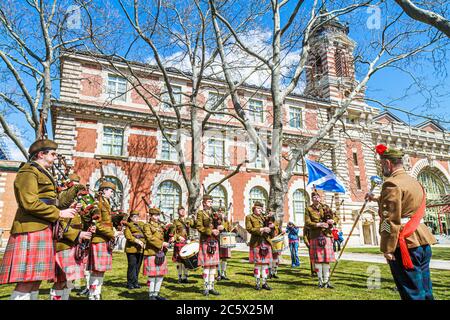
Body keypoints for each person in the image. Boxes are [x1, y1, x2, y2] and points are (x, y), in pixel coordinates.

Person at [0, 139, 77, 300]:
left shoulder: (44, 173)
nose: (55, 157)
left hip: (42, 227)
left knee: (35, 280)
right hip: (31, 228)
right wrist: (58, 214)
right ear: (41, 154)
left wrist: (67, 204)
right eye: (53, 154)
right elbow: (29, 202)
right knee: (27, 280)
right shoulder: (28, 171)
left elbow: (54, 201)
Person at [366, 144, 436, 300]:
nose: (382, 168)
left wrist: (387, 248)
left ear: (388, 163)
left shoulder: (391, 184)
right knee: (426, 290)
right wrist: (378, 199)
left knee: (412, 294)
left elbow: (389, 219)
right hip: (422, 240)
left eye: (381, 164)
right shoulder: (414, 182)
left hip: (405, 243)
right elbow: (405, 205)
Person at [51, 173, 92, 300]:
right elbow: (60, 223)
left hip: (73, 244)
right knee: (61, 280)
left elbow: (81, 220)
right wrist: (78, 234)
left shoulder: (74, 202)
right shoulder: (61, 200)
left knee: (69, 279)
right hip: (63, 244)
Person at [86, 181, 116, 300]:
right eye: (110, 191)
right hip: (99, 239)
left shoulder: (107, 203)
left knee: (102, 269)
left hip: (105, 239)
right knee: (96, 269)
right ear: (103, 190)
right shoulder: (97, 203)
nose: (112, 193)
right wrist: (112, 233)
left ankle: (97, 292)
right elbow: (97, 223)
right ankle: (92, 294)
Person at [304, 191, 340, 288]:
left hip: (327, 235)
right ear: (312, 199)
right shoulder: (308, 209)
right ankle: (320, 281)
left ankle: (327, 281)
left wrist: (333, 221)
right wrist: (318, 224)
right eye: (314, 197)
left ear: (320, 198)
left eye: (317, 197)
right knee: (318, 260)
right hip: (315, 235)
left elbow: (336, 216)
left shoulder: (326, 207)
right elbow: (307, 222)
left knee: (326, 260)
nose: (316, 198)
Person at [196, 195, 222, 296]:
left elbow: (217, 225)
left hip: (214, 240)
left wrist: (220, 227)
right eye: (208, 201)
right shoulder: (200, 213)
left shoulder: (213, 214)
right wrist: (211, 231)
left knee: (213, 266)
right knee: (207, 266)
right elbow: (199, 227)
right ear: (204, 203)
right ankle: (206, 287)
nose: (210, 203)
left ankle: (212, 287)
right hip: (206, 240)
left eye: (211, 201)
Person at [142, 207, 170, 300]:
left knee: (160, 274)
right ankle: (151, 295)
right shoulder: (147, 226)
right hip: (151, 252)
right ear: (150, 216)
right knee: (153, 275)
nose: (157, 217)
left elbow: (165, 235)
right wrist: (162, 243)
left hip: (160, 252)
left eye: (158, 215)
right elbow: (149, 238)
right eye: (155, 215)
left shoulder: (160, 226)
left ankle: (156, 294)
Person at [245, 201, 273, 291]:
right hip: (256, 242)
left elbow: (271, 227)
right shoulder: (249, 217)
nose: (260, 210)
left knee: (265, 264)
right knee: (257, 264)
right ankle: (257, 283)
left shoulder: (264, 217)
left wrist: (271, 225)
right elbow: (249, 229)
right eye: (258, 208)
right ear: (254, 208)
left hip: (265, 241)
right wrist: (261, 229)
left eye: (261, 208)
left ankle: (264, 283)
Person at [172, 206, 195, 283]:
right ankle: (179, 277)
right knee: (179, 261)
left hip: (187, 242)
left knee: (186, 260)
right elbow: (173, 233)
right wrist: (178, 237)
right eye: (180, 210)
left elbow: (193, 226)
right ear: (178, 212)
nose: (182, 212)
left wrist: (193, 218)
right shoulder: (175, 221)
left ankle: (185, 277)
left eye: (183, 210)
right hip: (179, 243)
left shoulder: (188, 220)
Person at [123, 210, 146, 289]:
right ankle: (129, 283)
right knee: (132, 265)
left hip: (141, 249)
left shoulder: (141, 225)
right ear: (131, 218)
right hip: (131, 248)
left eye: (137, 217)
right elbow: (128, 236)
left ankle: (135, 282)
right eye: (134, 217)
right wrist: (137, 240)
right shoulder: (128, 226)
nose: (136, 218)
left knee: (138, 266)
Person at [267, 211, 284, 279]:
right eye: (270, 213)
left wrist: (282, 232)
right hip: (269, 241)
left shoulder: (276, 222)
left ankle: (274, 272)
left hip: (276, 242)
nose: (271, 214)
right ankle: (269, 273)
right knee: (270, 258)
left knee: (276, 259)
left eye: (273, 213)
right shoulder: (266, 221)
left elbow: (278, 230)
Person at [217, 207, 232, 281]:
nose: (221, 213)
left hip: (225, 240)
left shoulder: (226, 221)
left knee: (224, 258)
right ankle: (219, 274)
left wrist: (226, 222)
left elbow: (230, 229)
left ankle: (223, 273)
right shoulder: (216, 220)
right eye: (219, 212)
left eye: (222, 212)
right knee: (218, 257)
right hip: (217, 240)